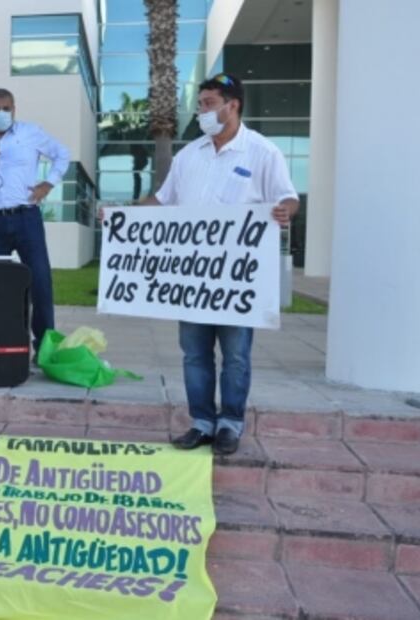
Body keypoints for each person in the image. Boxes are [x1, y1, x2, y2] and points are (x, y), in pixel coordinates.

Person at [140, 73, 299, 455]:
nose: (202, 111)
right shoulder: (188, 155)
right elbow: (162, 203)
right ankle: (201, 422)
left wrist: (284, 211)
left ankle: (230, 423)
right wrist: (122, 216)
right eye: (200, 104)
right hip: (193, 275)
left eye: (210, 103)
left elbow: (288, 198)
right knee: (194, 353)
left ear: (233, 105)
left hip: (237, 279)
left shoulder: (262, 152)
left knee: (236, 355)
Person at [0, 88, 70, 359]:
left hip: (26, 217)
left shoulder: (31, 132)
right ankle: (5, 343)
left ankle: (44, 348)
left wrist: (48, 183)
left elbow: (62, 154)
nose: (1, 114)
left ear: (14, 109)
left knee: (40, 281)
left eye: (6, 108)